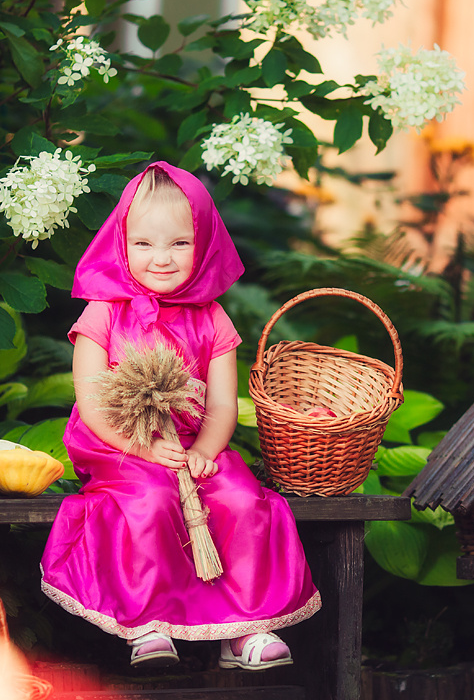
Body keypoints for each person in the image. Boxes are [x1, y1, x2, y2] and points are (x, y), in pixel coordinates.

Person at [41, 161, 321, 670]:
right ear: (121, 243)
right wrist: (144, 448)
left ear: (205, 245)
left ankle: (243, 627)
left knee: (238, 498)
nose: (162, 259)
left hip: (193, 443)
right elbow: (92, 401)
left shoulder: (212, 317)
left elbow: (220, 404)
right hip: (119, 446)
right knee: (148, 500)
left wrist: (205, 451)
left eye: (179, 244)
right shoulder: (104, 311)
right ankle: (149, 621)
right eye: (144, 244)